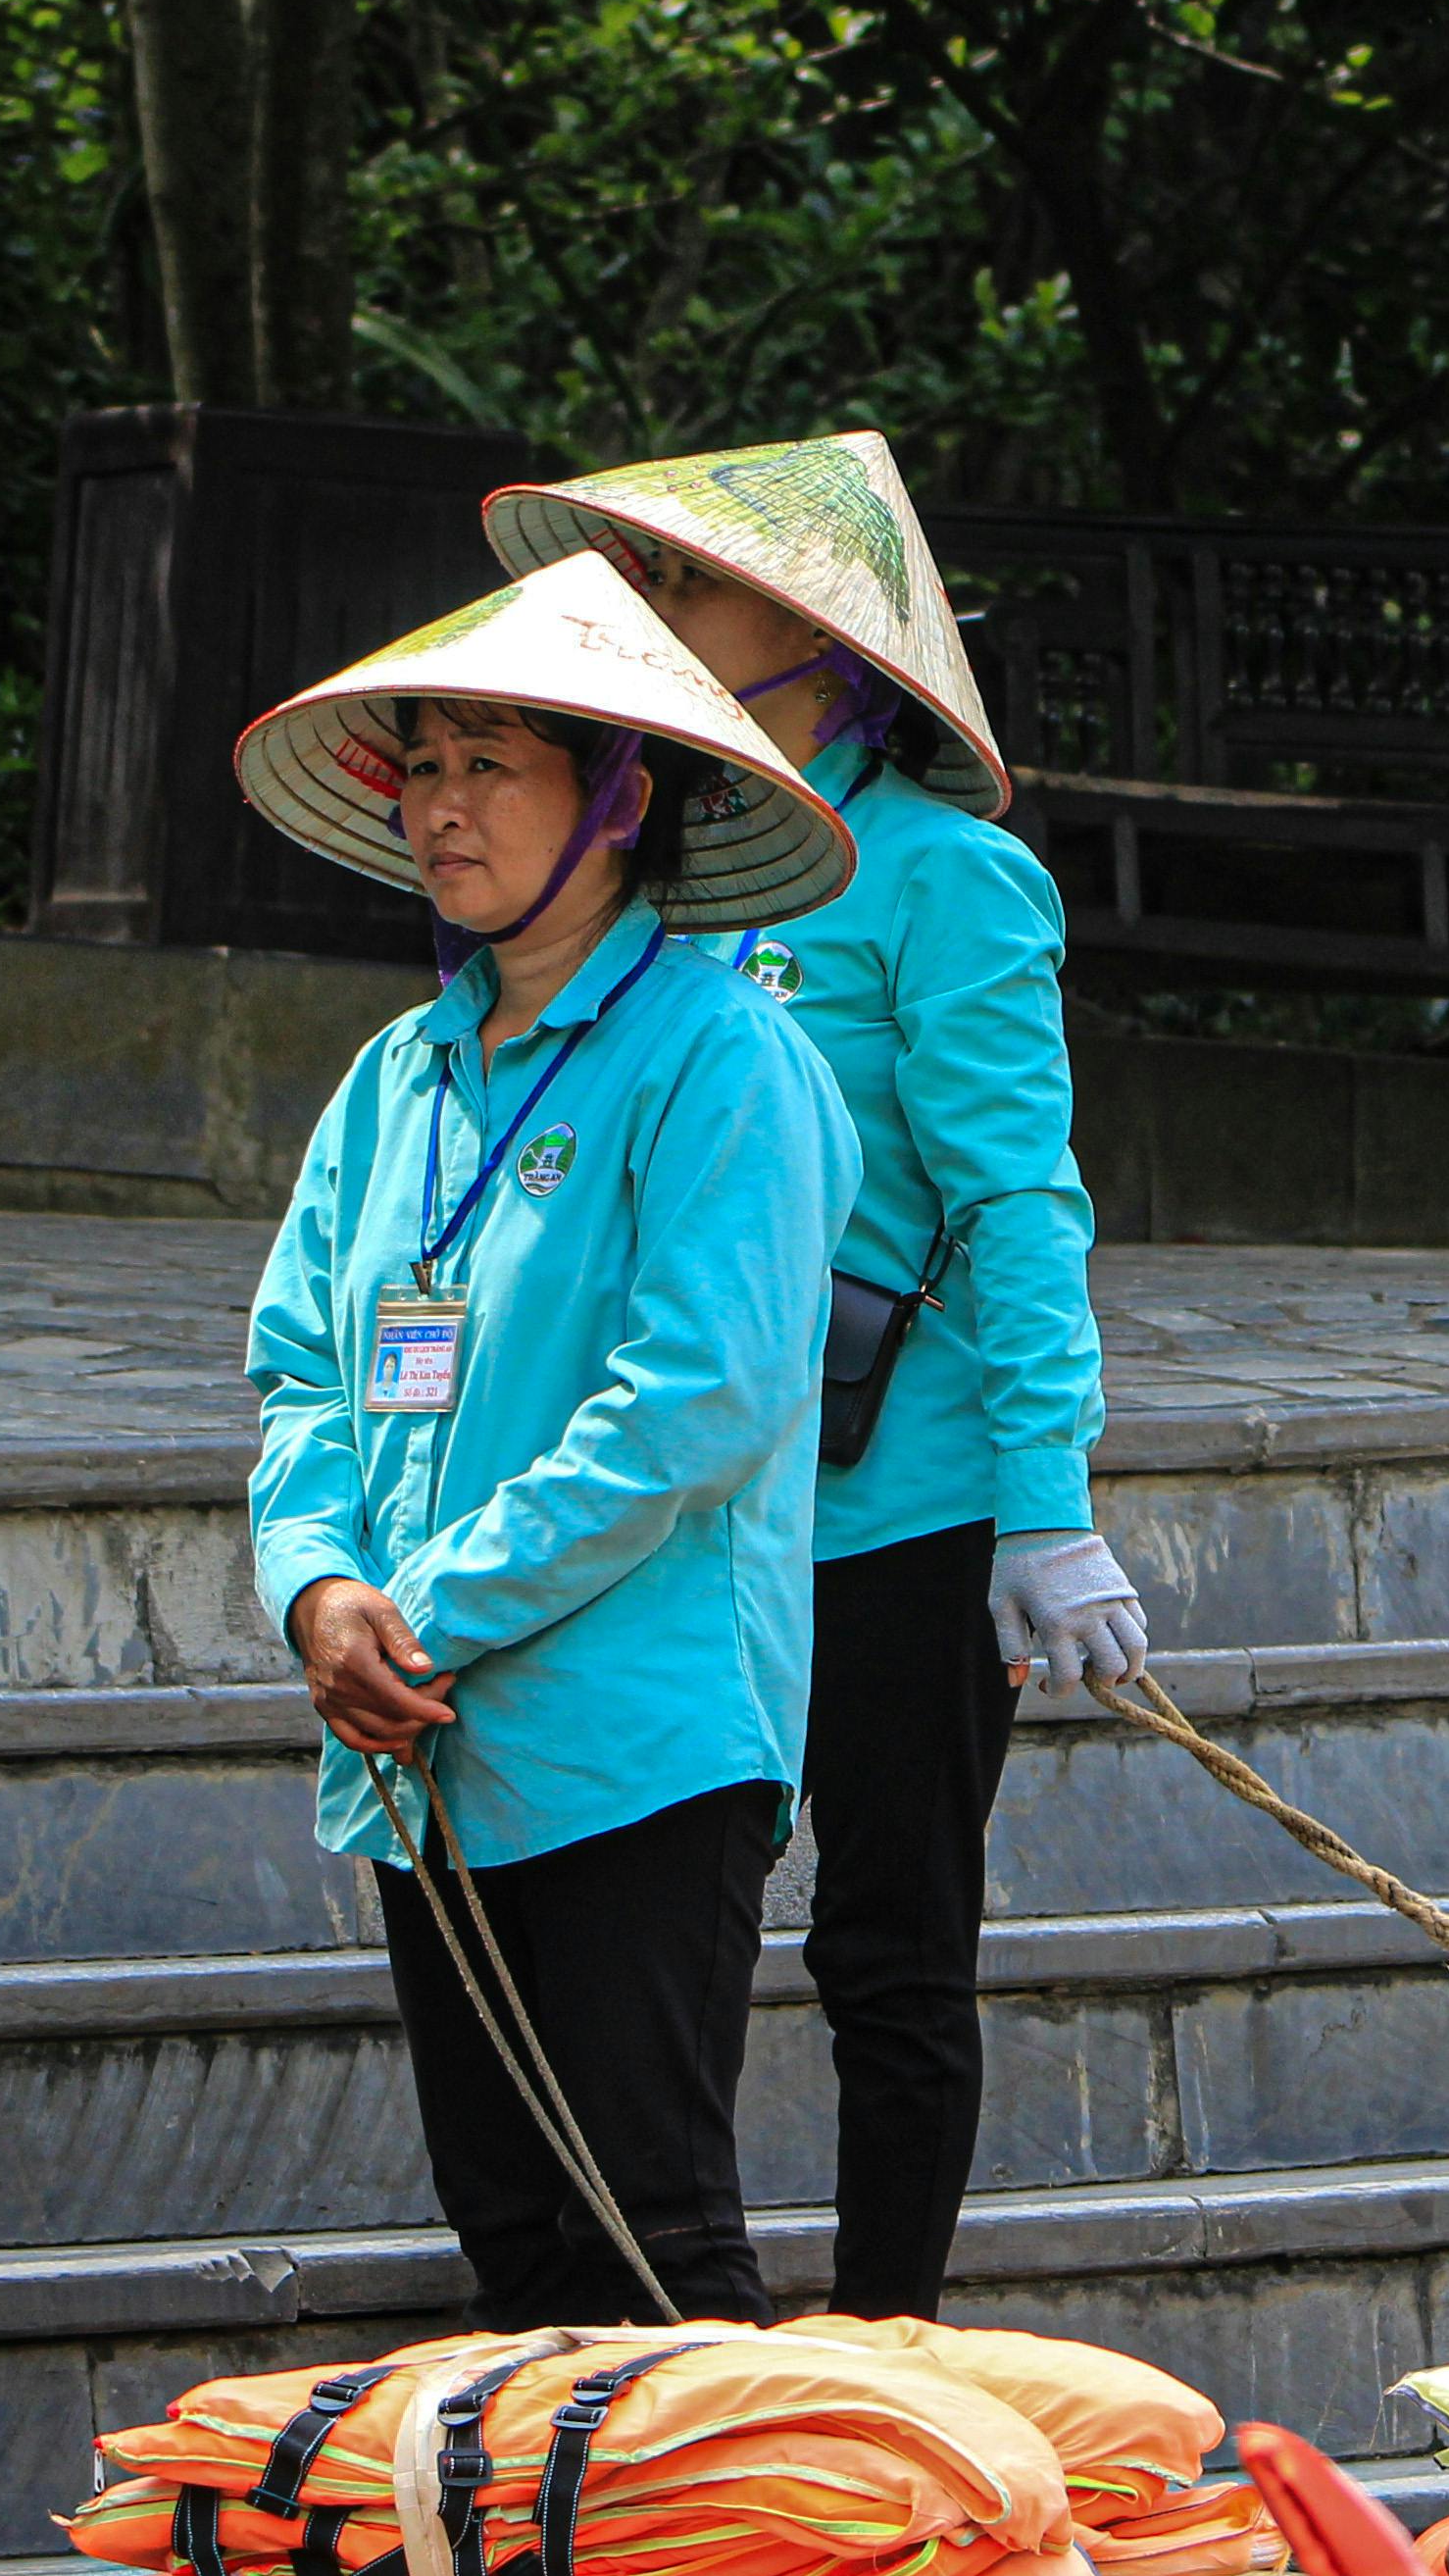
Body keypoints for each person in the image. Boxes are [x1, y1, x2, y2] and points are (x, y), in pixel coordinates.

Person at [479, 434, 1133, 2326]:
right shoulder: (643, 869)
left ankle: (888, 2350)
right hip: (679, 1499)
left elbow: (1019, 1202)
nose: (654, 619)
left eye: (684, 584)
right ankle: (660, 2342)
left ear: (821, 635)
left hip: (899, 1497)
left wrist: (1047, 1509)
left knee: (890, 1951)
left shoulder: (949, 879)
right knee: (654, 1923)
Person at [239, 551, 863, 2330]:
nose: (440, 807)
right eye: (422, 766)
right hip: (425, 1750)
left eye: (487, 765)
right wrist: (318, 1589)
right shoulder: (396, 1079)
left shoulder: (725, 1058)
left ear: (617, 797)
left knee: (644, 2231)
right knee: (508, 2227)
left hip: (638, 1740)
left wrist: (422, 1602)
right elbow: (302, 1369)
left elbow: (700, 1394)